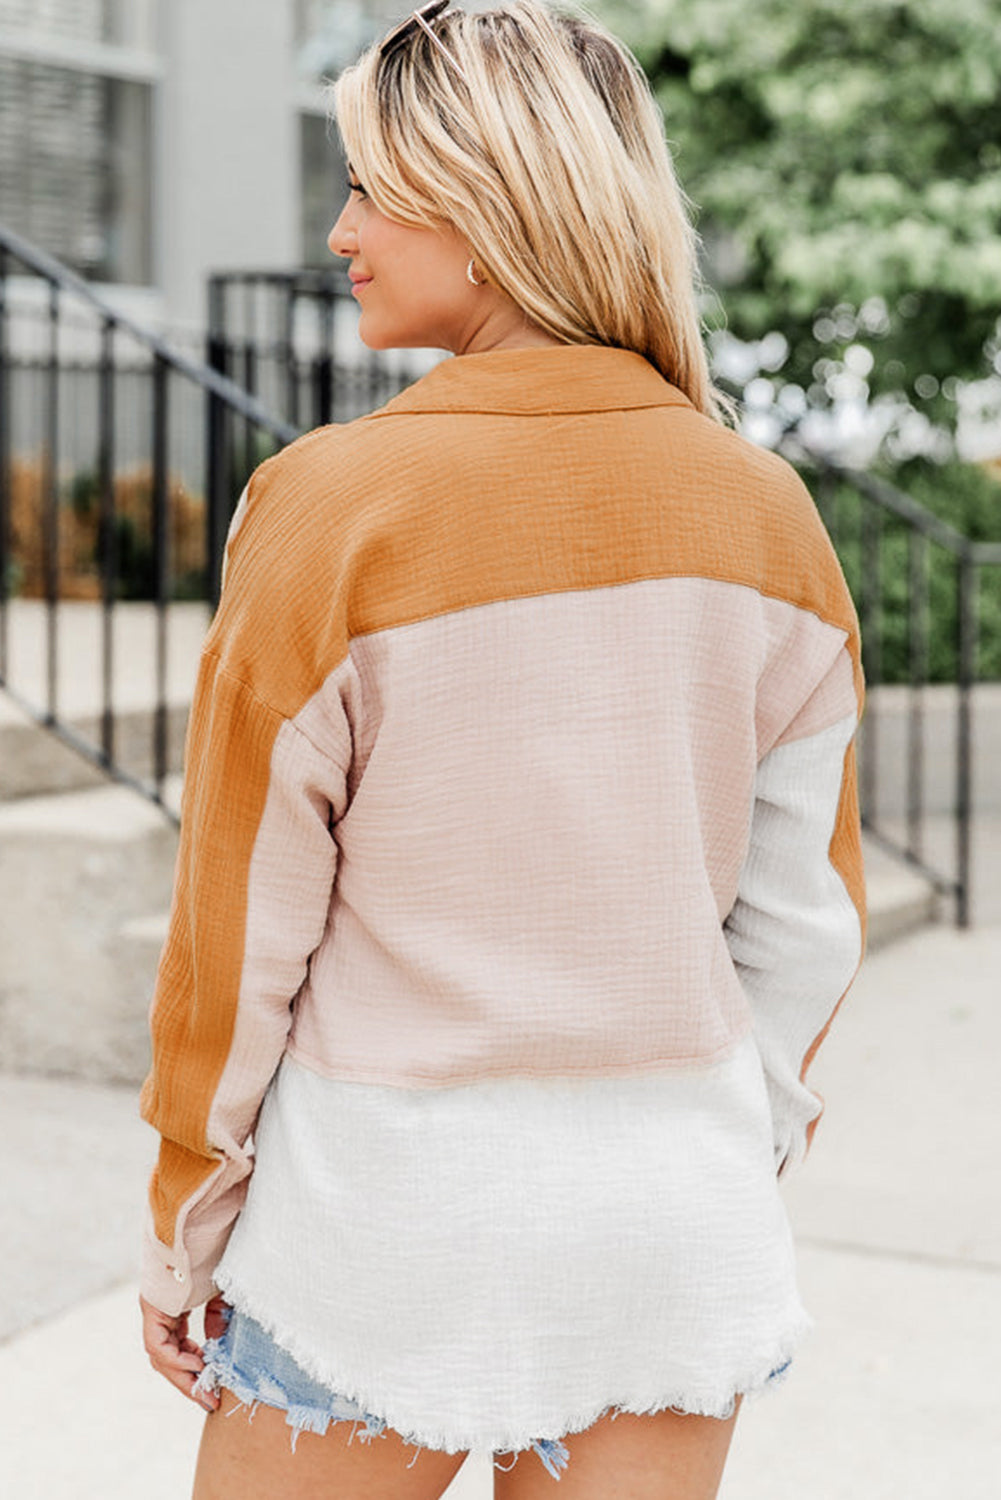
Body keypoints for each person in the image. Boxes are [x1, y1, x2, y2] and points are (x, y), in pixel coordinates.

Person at [139, 3, 866, 1497]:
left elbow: (241, 931)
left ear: (481, 202)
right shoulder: (766, 513)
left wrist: (187, 1222)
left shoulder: (331, 504)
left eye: (367, 186)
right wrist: (715, 1148)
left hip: (380, 1228)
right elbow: (806, 926)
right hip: (669, 1229)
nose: (339, 230)